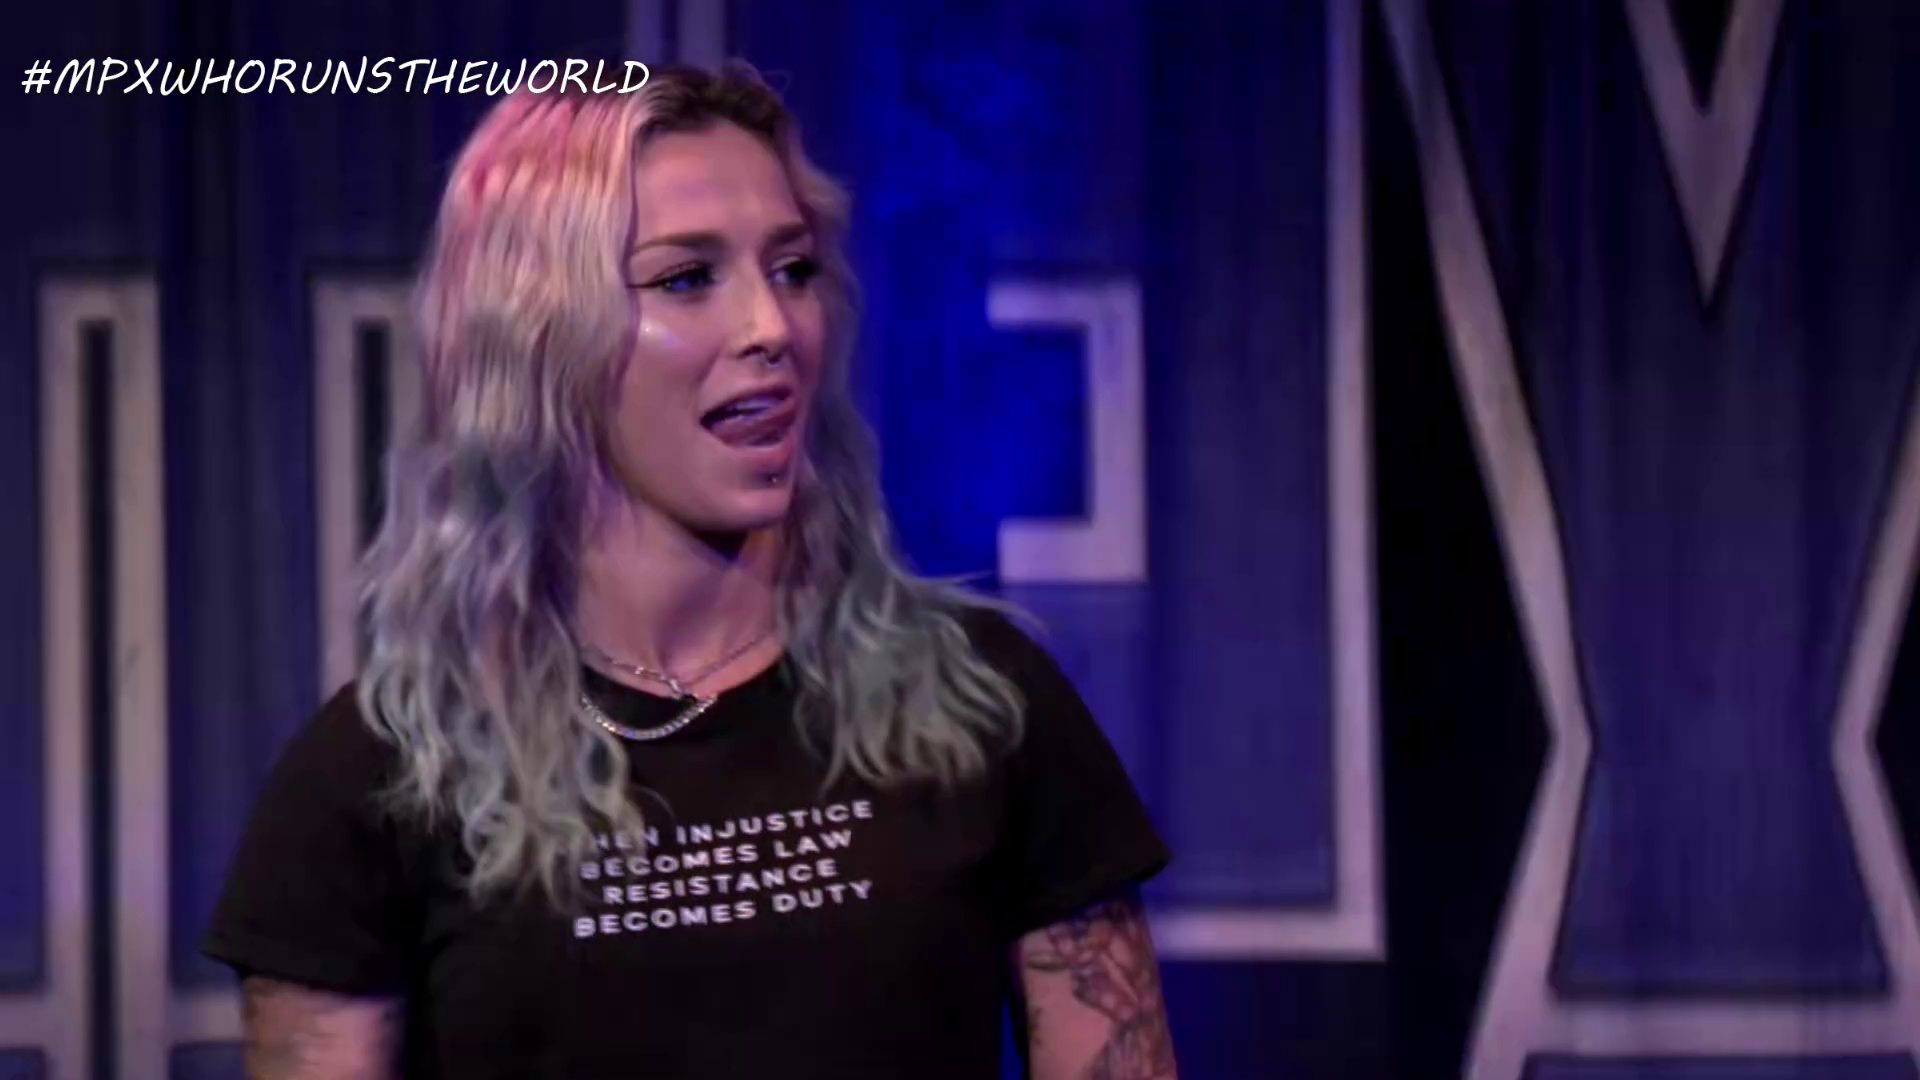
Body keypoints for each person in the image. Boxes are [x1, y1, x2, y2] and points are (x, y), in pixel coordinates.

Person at [203, 61, 1177, 1080]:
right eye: (685, 278)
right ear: (537, 337)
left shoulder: (981, 703)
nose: (772, 328)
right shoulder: (379, 777)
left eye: (791, 269)